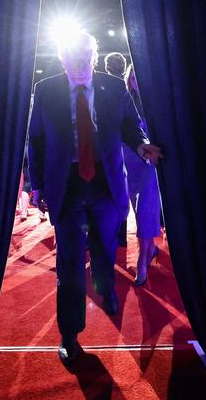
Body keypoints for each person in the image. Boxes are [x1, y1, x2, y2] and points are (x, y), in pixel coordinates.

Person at [28, 32, 162, 365]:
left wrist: (141, 144)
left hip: (106, 181)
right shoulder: (46, 90)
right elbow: (36, 140)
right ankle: (70, 333)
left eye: (85, 58)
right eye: (71, 59)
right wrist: (37, 186)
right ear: (61, 60)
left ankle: (107, 287)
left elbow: (131, 126)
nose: (79, 65)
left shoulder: (114, 87)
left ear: (93, 55)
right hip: (67, 184)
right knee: (70, 260)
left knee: (105, 246)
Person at [123, 64, 163, 285]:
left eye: (140, 78)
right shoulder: (124, 102)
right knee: (139, 212)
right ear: (128, 80)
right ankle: (150, 249)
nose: (136, 82)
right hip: (128, 164)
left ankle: (142, 260)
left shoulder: (156, 103)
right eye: (133, 78)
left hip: (149, 164)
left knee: (145, 210)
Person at [103, 51, 129, 246]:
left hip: (111, 145)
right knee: (122, 189)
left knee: (109, 188)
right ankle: (120, 237)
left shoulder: (102, 86)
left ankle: (110, 234)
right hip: (127, 144)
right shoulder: (127, 85)